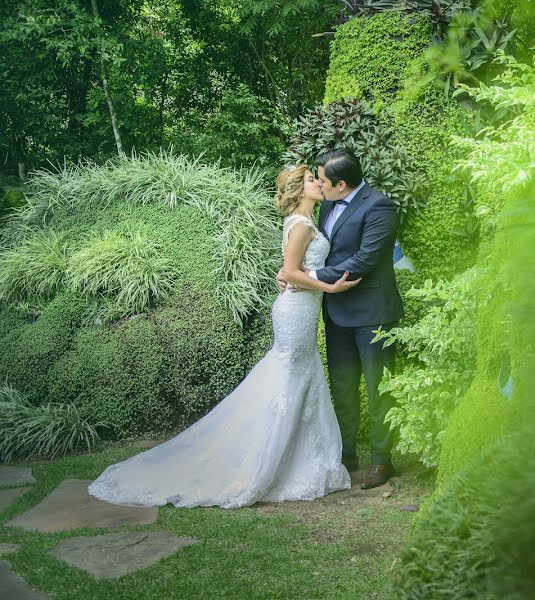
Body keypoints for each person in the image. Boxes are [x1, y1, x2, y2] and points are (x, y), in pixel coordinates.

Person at [88, 165, 358, 509]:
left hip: (300, 310)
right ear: (297, 188)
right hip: (295, 310)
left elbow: (293, 269)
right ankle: (265, 460)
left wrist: (304, 276)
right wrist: (328, 287)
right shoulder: (302, 225)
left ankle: (299, 457)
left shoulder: (304, 222)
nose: (319, 184)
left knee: (297, 377)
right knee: (288, 378)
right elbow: (291, 271)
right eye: (311, 180)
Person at [277, 148, 403, 489]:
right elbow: (309, 247)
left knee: (380, 389)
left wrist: (307, 274)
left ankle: (381, 461)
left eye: (322, 179)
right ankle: (346, 454)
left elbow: (363, 260)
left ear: (341, 183)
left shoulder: (380, 207)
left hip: (373, 314)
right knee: (343, 388)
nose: (318, 183)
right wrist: (290, 270)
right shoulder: (328, 202)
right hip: (337, 314)